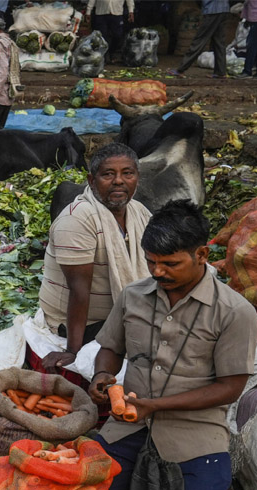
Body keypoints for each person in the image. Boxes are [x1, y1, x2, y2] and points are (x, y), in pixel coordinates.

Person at [89, 200, 257, 490]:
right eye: (151, 262)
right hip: (128, 424)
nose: (158, 272)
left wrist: (157, 405)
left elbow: (230, 388)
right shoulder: (132, 296)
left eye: (170, 264)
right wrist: (102, 375)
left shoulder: (235, 312)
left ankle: (180, 487)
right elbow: (110, 348)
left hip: (194, 431)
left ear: (201, 254)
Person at [39, 144, 152, 373]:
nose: (119, 181)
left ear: (137, 179)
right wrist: (73, 350)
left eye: (127, 173)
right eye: (108, 174)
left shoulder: (139, 212)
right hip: (85, 323)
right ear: (91, 181)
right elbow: (79, 290)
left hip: (117, 313)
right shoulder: (77, 220)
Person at [167, 0, 232, 78]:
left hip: (212, 10)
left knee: (200, 40)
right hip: (224, 9)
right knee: (219, 41)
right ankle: (220, 72)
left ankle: (181, 69)